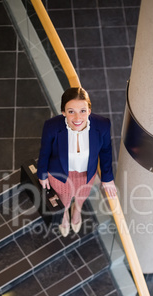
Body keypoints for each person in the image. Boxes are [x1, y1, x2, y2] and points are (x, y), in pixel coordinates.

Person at [37, 87, 117, 237]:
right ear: (63, 112)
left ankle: (77, 210)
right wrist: (42, 173)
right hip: (60, 175)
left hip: (86, 174)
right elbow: (45, 151)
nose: (78, 118)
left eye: (83, 110)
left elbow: (105, 150)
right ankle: (64, 216)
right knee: (63, 200)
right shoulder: (52, 126)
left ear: (89, 110)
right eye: (71, 111)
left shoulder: (102, 125)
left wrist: (107, 178)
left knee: (81, 197)